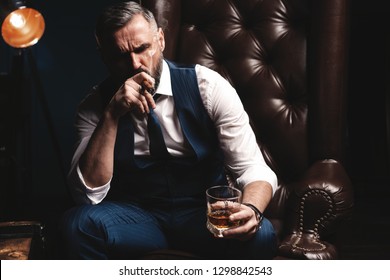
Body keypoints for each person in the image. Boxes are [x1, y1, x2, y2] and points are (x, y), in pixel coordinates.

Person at [62, 1, 278, 260]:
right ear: (104, 57)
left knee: (262, 233)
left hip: (203, 214)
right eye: (120, 56)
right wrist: (111, 115)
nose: (135, 65)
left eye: (142, 48)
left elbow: (251, 168)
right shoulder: (94, 107)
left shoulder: (207, 86)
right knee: (77, 225)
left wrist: (252, 208)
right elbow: (87, 195)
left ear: (160, 40)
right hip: (138, 218)